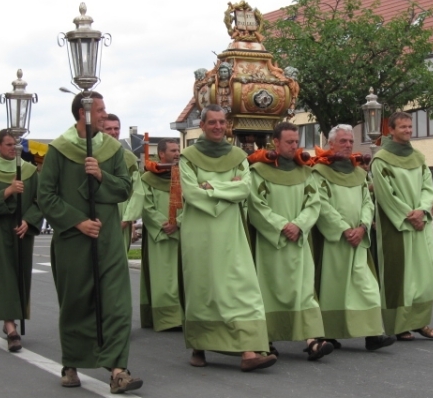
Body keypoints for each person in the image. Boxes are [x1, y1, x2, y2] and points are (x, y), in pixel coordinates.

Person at [38, 92, 143, 393]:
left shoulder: (112, 150)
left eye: (104, 109)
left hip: (108, 238)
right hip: (73, 240)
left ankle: (118, 369)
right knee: (77, 303)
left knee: (117, 304)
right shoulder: (59, 150)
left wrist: (100, 177)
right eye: (100, 110)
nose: (104, 114)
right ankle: (71, 363)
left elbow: (124, 188)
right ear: (82, 114)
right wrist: (77, 221)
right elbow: (46, 195)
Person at [179, 104, 276, 372]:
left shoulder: (238, 156)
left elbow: (245, 188)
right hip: (200, 231)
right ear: (203, 124)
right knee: (204, 286)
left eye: (222, 122)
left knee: (240, 286)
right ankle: (199, 346)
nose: (218, 127)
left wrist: (212, 188)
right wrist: (226, 192)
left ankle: (249, 350)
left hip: (231, 229)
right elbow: (190, 192)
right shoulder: (187, 156)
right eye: (213, 123)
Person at [248, 122, 333, 361]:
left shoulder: (306, 172)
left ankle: (313, 340)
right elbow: (255, 205)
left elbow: (314, 204)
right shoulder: (258, 172)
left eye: (297, 142)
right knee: (270, 291)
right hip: (271, 244)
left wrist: (299, 225)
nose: (294, 146)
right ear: (275, 142)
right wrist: (281, 225)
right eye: (289, 142)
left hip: (298, 242)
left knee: (304, 290)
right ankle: (267, 340)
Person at [312, 124, 396, 351]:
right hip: (334, 240)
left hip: (358, 239)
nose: (348, 145)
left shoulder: (359, 173)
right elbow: (321, 203)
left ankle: (373, 334)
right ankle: (329, 333)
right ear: (331, 144)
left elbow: (368, 202)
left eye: (350, 141)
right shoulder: (319, 172)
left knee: (366, 286)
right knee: (334, 289)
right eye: (343, 141)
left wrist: (362, 227)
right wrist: (343, 229)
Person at [371, 112, 433, 341]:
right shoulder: (381, 159)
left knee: (426, 273)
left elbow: (428, 187)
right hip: (397, 226)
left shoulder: (419, 157)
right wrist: (408, 215)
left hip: (419, 222)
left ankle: (420, 321)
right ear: (391, 130)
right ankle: (398, 325)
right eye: (403, 127)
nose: (408, 130)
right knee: (400, 276)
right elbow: (385, 194)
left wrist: (422, 210)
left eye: (410, 126)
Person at [0, 129, 42, 352]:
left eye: (15, 146)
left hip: (22, 229)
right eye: (8, 145)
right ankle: (10, 327)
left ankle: (16, 318)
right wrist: (9, 190)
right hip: (0, 230)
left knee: (21, 274)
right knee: (4, 276)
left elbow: (40, 200)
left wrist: (29, 220)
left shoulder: (30, 171)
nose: (12, 149)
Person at [140, 138, 183, 331]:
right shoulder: (147, 179)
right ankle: (166, 319)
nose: (177, 154)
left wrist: (178, 222)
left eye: (178, 150)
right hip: (160, 235)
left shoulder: (185, 176)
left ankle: (182, 317)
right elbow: (146, 206)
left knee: (183, 277)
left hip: (182, 232)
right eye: (173, 151)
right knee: (163, 278)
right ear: (162, 154)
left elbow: (192, 201)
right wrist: (163, 224)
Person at [103, 113, 144, 252]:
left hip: (122, 218)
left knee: (118, 262)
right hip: (98, 218)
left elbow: (137, 192)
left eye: (116, 128)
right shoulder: (92, 155)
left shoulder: (128, 158)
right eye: (108, 129)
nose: (113, 132)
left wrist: (127, 220)